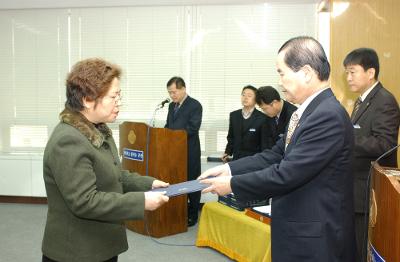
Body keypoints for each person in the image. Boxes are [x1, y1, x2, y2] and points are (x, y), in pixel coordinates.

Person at [199, 36, 356, 262]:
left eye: (282, 73)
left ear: (306, 73)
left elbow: (286, 174)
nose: (279, 82)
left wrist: (231, 185)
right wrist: (230, 170)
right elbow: (275, 154)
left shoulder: (327, 116)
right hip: (299, 230)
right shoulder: (307, 112)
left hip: (315, 241)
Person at [41, 58, 169, 262]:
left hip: (100, 244)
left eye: (119, 95)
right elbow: (85, 201)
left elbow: (112, 174)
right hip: (77, 252)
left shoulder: (97, 128)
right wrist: (141, 201)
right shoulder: (68, 140)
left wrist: (148, 184)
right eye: (113, 96)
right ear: (87, 99)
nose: (119, 102)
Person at [343, 48, 400, 262]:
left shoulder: (384, 100)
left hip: (370, 191)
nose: (348, 78)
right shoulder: (361, 101)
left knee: (362, 251)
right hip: (356, 190)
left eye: (352, 72)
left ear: (370, 72)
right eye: (346, 73)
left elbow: (386, 144)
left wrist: (345, 138)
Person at [165, 76, 202, 227]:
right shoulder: (171, 106)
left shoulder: (195, 105)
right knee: (176, 181)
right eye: (169, 93)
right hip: (173, 152)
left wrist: (174, 138)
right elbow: (169, 125)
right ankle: (179, 210)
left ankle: (193, 214)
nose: (171, 96)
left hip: (189, 150)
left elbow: (192, 128)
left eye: (173, 92)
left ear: (183, 89)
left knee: (192, 182)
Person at [222, 85, 267, 162]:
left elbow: (264, 142)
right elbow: (231, 137)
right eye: (243, 95)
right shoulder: (234, 115)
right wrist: (227, 152)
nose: (245, 98)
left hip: (254, 159)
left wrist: (263, 159)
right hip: (236, 158)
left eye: (249, 95)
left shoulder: (263, 118)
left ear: (256, 100)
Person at [256, 85, 297, 150]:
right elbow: (265, 142)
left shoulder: (293, 115)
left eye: (264, 109)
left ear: (274, 103)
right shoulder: (269, 115)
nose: (264, 112)